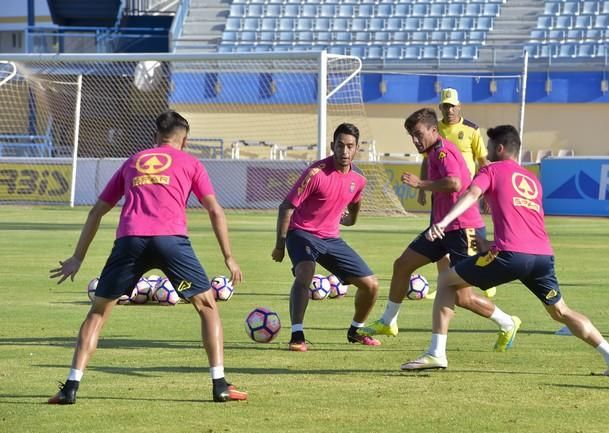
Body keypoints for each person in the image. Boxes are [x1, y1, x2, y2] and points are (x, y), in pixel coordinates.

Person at [47, 111, 247, 404]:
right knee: (206, 305)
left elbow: (96, 212)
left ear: (155, 137)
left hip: (130, 242)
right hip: (171, 243)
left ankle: (70, 388)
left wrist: (78, 257)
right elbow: (215, 210)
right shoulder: (191, 163)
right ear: (185, 140)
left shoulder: (132, 161)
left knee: (98, 313)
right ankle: (220, 385)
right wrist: (229, 257)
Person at [401, 125, 609, 376]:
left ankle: (436, 353)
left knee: (446, 279)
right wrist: (490, 245)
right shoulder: (533, 180)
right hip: (542, 257)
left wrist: (443, 223)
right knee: (561, 311)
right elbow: (525, 222)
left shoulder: (491, 169)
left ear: (499, 148)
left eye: (489, 148)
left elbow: (470, 194)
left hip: (510, 255)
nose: (486, 154)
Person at [360, 108, 519, 351]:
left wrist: (421, 184)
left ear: (434, 131)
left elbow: (455, 182)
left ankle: (507, 322)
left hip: (462, 230)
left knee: (461, 297)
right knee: (402, 265)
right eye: (411, 135)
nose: (415, 139)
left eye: (418, 134)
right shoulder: (433, 152)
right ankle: (388, 321)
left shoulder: (443, 152)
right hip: (441, 230)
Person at [272, 123, 381, 352]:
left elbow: (355, 201)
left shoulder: (358, 179)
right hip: (301, 233)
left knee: (371, 285)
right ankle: (297, 334)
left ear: (356, 149)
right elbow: (286, 207)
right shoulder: (316, 173)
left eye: (350, 146)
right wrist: (280, 245)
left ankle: (355, 331)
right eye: (340, 145)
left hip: (331, 239)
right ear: (332, 145)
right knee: (305, 272)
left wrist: (351, 220)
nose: (344, 151)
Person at [417, 87, 496, 298]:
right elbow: (426, 160)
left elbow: (482, 161)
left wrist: (487, 191)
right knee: (439, 237)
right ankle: (444, 281)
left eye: (452, 106)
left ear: (459, 106)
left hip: (467, 192)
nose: (449, 110)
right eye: (445, 106)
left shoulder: (471, 129)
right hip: (442, 192)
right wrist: (423, 187)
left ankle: (487, 276)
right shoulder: (434, 130)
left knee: (470, 237)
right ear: (440, 107)